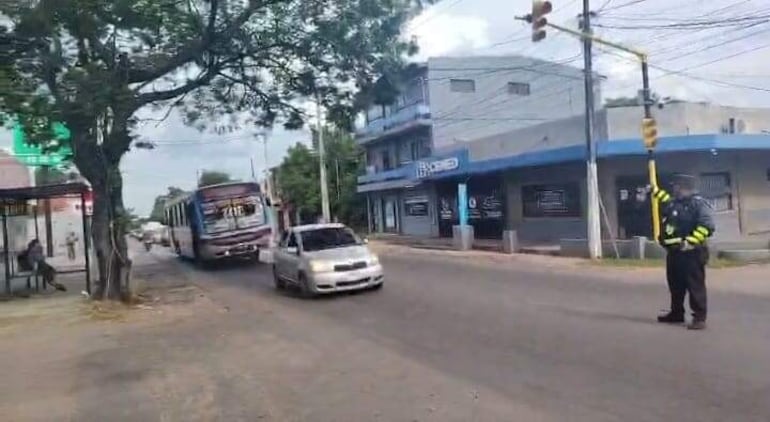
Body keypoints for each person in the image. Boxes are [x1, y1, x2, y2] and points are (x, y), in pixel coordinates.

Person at [651, 174, 714, 330]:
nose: (674, 188)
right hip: (675, 253)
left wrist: (690, 242)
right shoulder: (675, 203)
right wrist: (653, 190)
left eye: (677, 186)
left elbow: (707, 226)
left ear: (685, 187)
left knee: (694, 286)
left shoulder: (698, 204)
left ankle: (699, 318)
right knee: (675, 285)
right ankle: (676, 313)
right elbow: (665, 198)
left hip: (692, 253)